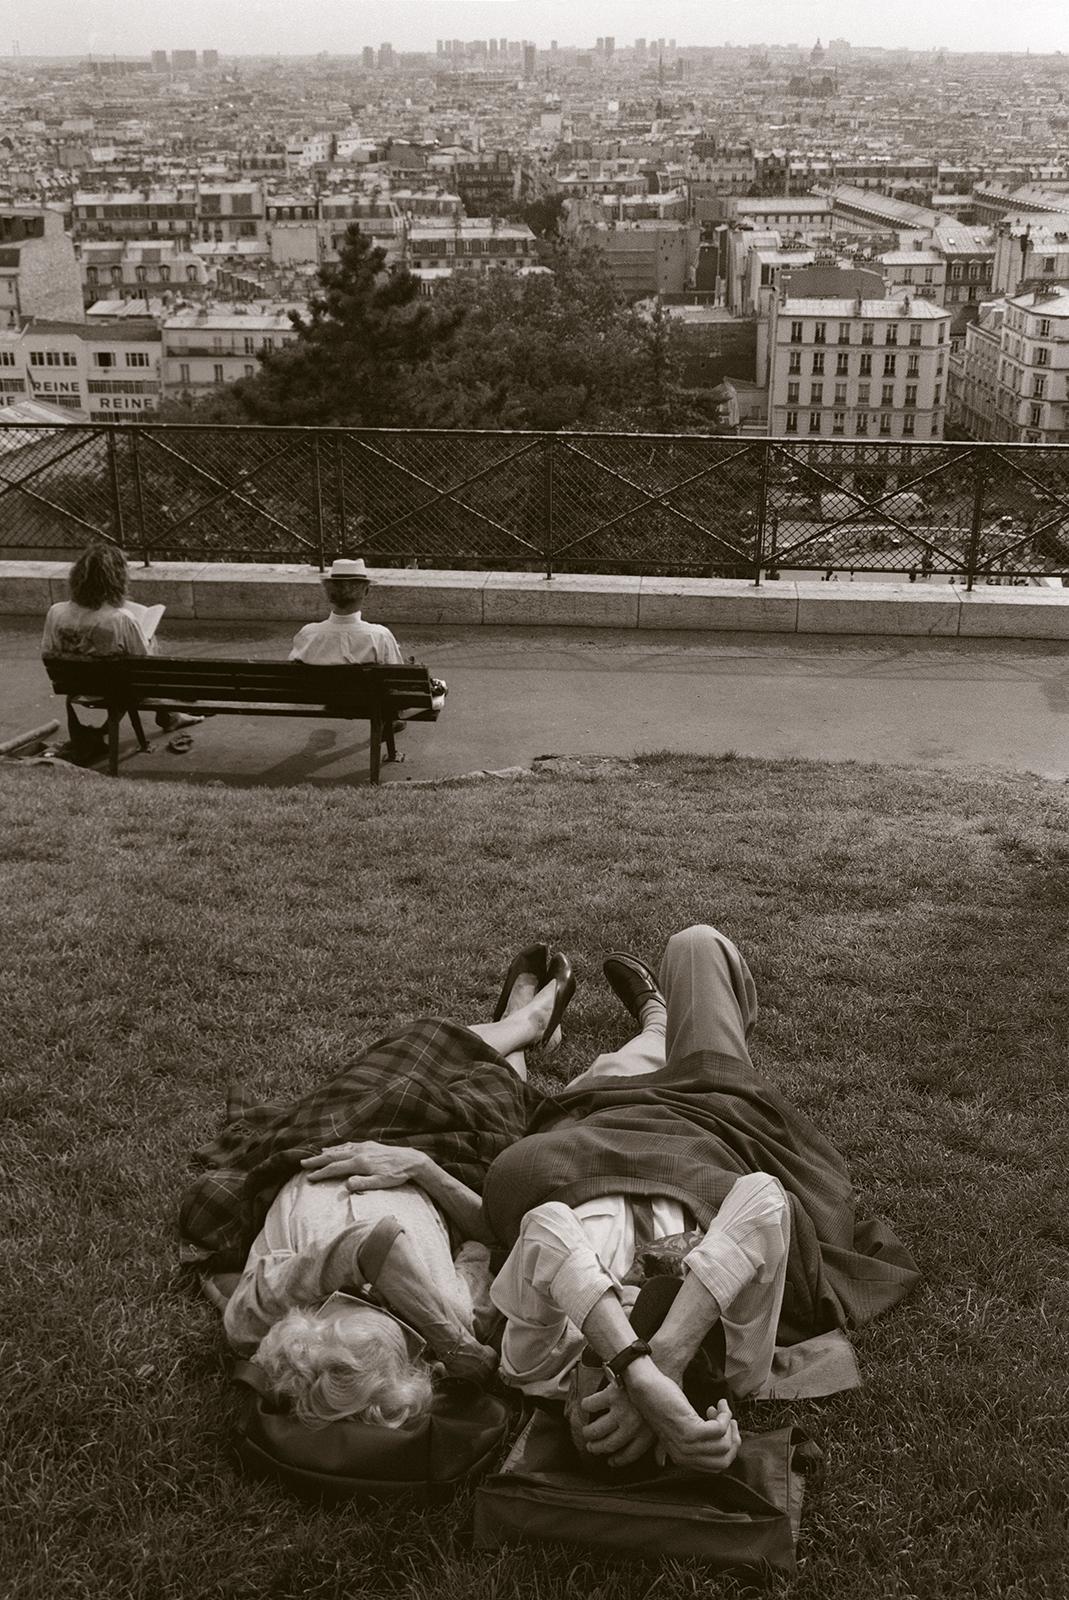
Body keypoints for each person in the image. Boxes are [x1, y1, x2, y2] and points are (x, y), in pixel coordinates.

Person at [286, 927, 920, 1475]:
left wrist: (638, 1371)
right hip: (700, 1119)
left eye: (597, 1412)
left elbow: (547, 1227)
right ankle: (658, 1018)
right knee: (697, 945)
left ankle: (619, 1027)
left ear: (566, 1415)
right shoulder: (735, 1361)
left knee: (610, 1070)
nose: (610, 1400)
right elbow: (761, 1200)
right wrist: (668, 1361)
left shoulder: (536, 1362)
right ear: (695, 1419)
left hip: (585, 1122)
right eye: (643, 1419)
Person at [192, 947, 575, 1431]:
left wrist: (457, 1348)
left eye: (345, 1305)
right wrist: (420, 1168)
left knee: (409, 1050)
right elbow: (492, 1235)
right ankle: (523, 1028)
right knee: (498, 1103)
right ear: (414, 1361)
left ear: (307, 1331)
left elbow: (371, 1243)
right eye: (395, 1320)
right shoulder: (454, 1312)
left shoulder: (259, 1318)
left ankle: (527, 1023)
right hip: (431, 1164)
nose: (371, 1298)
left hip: (327, 1142)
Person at [41, 542, 202, 745]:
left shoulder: (56, 612)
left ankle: (168, 716)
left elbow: (49, 651)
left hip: (74, 685)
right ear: (116, 580)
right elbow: (146, 666)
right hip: (115, 687)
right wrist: (148, 639)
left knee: (119, 666)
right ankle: (168, 716)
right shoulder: (120, 619)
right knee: (147, 648)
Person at [289, 558, 404, 666]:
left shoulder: (308, 635)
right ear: (366, 592)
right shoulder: (380, 637)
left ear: (329, 594)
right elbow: (397, 678)